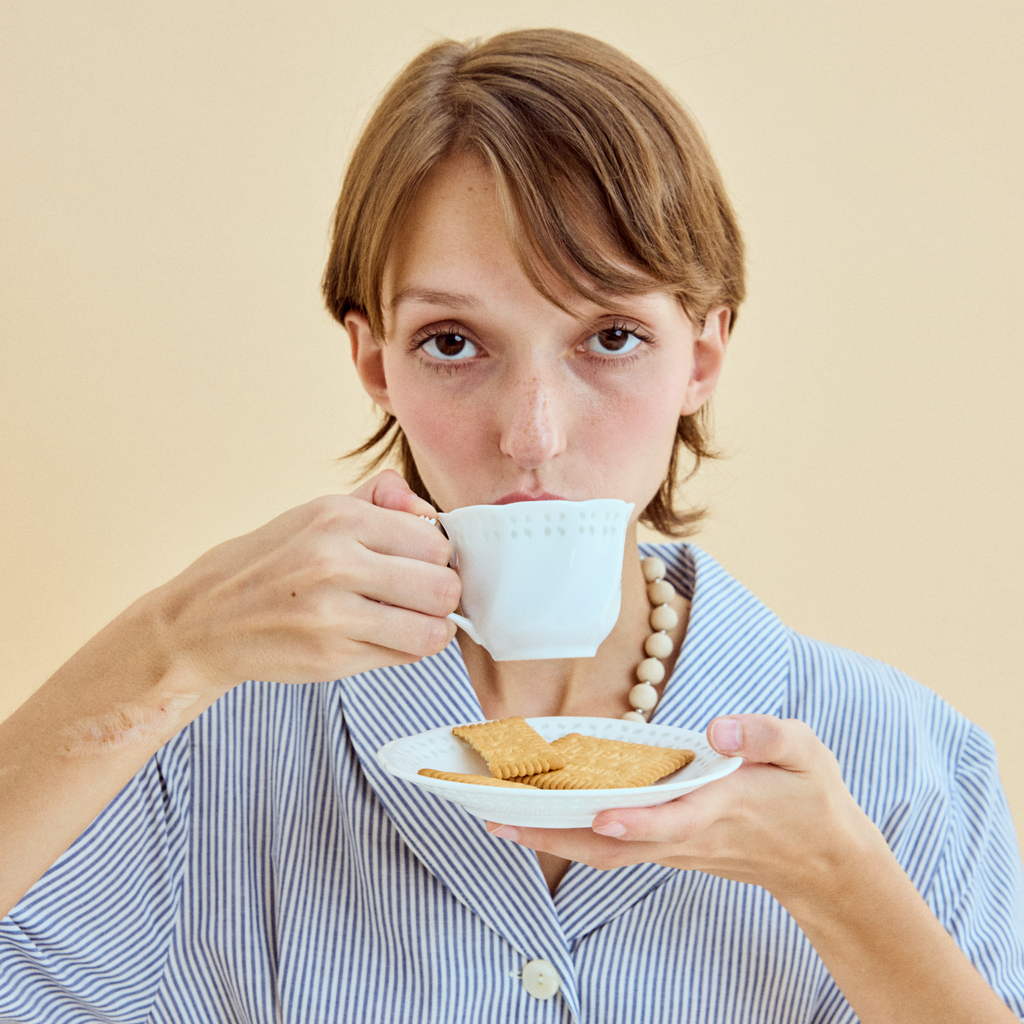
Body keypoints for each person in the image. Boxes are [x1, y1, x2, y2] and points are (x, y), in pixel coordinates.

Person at [1, 27, 1022, 1024]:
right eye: (453, 342)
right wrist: (164, 641)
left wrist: (842, 886)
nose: (532, 433)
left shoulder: (904, 759)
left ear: (701, 356)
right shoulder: (207, 741)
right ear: (375, 362)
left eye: (611, 337)